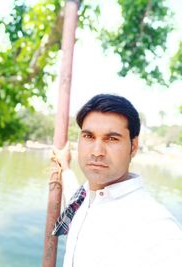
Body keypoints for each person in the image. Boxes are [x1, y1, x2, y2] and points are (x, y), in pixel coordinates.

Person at [52, 94, 182, 267]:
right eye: (89, 136)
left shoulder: (156, 227)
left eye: (112, 139)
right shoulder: (83, 199)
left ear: (133, 146)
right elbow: (73, 192)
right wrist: (65, 167)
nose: (97, 151)